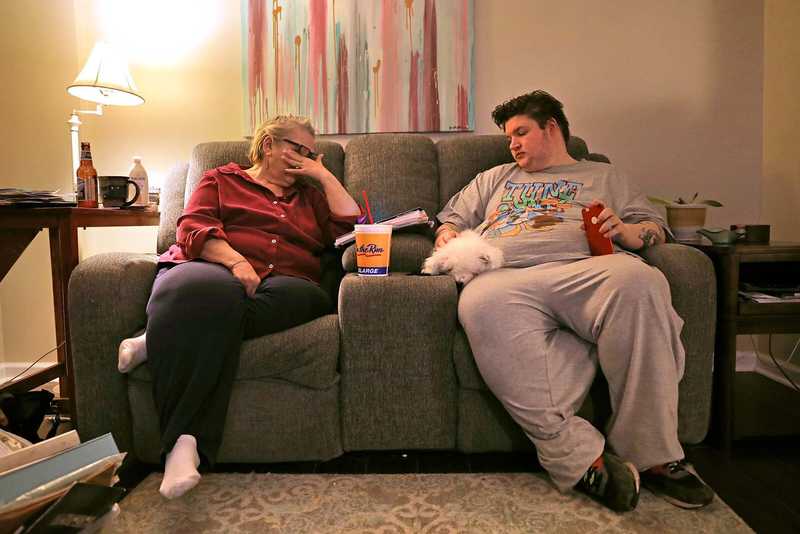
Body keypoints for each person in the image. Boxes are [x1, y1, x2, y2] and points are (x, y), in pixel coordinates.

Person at [435, 90, 714, 512]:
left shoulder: (604, 175)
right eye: (509, 136)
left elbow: (651, 228)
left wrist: (627, 233)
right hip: (506, 276)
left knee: (641, 283)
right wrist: (447, 238)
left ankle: (654, 456)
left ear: (552, 127)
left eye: (521, 132)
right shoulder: (496, 178)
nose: (512, 144)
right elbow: (449, 223)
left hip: (588, 270)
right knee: (477, 303)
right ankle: (581, 459)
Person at [117, 115, 360, 499]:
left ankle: (160, 334)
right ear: (268, 144)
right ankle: (182, 446)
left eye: (312, 154)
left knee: (306, 297)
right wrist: (236, 263)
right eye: (297, 149)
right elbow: (193, 227)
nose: (305, 159)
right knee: (210, 293)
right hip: (212, 269)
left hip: (285, 285)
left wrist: (324, 175)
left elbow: (354, 229)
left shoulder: (311, 197)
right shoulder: (221, 179)